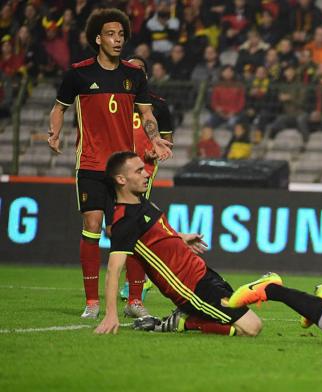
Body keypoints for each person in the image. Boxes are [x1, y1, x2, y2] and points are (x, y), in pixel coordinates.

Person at [47, 8, 173, 319]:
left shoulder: (134, 74)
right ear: (97, 38)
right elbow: (59, 108)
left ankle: (134, 300)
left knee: (129, 231)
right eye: (111, 35)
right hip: (90, 163)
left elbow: (147, 115)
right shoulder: (78, 74)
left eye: (121, 35)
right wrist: (55, 132)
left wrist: (154, 137)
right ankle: (92, 302)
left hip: (124, 169)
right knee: (91, 227)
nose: (118, 40)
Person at [95, 151, 262, 337]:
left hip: (203, 273)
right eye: (139, 171)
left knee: (247, 322)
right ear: (121, 179)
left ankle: (186, 318)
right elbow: (113, 270)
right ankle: (184, 322)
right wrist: (111, 314)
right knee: (251, 328)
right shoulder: (124, 222)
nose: (147, 174)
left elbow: (158, 233)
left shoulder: (141, 202)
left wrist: (180, 237)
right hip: (189, 290)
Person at [111, 55, 175, 315]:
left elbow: (167, 142)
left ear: (145, 76)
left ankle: (134, 292)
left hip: (140, 173)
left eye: (138, 70)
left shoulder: (158, 106)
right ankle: (124, 290)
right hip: (111, 170)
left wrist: (154, 151)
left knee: (131, 229)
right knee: (113, 228)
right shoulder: (113, 102)